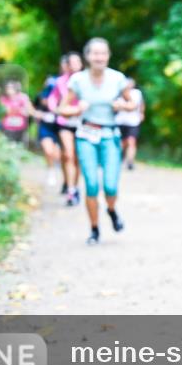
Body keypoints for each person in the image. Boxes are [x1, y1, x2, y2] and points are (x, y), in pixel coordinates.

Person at [58, 37, 135, 245]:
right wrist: (77, 109)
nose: (99, 57)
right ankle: (94, 229)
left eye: (103, 53)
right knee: (91, 184)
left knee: (110, 185)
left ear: (108, 56)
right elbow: (61, 109)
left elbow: (132, 104)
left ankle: (111, 210)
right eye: (95, 53)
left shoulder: (117, 78)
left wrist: (122, 105)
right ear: (88, 56)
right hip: (86, 135)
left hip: (110, 136)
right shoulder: (78, 80)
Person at [50, 52, 84, 205]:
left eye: (78, 62)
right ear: (67, 66)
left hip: (82, 123)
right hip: (64, 122)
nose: (75, 65)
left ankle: (74, 187)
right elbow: (53, 98)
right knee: (68, 155)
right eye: (72, 62)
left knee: (77, 158)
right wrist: (55, 109)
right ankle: (70, 190)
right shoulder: (60, 82)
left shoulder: (86, 80)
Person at [34, 63, 63, 187]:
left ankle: (63, 177)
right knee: (48, 150)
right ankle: (51, 171)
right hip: (45, 126)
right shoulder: (39, 96)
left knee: (58, 154)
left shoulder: (63, 96)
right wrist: (40, 115)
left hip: (59, 126)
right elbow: (34, 110)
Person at [114, 77, 145, 171]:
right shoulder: (118, 93)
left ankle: (130, 162)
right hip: (120, 121)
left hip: (133, 122)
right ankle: (119, 159)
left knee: (132, 141)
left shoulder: (137, 93)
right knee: (122, 143)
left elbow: (140, 104)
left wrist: (141, 113)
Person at [0, 80, 31, 145]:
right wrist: (19, 110)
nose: (8, 89)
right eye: (7, 87)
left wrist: (14, 110)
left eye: (10, 87)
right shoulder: (3, 98)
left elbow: (28, 111)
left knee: (20, 146)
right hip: (7, 128)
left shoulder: (23, 97)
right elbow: (3, 111)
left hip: (21, 128)